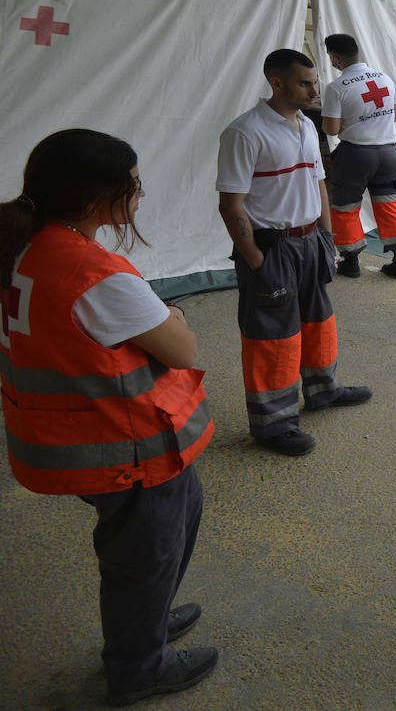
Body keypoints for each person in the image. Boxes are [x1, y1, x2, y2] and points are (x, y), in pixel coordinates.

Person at [1, 130, 218, 704]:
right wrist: (169, 314)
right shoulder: (95, 274)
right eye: (134, 184)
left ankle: (144, 624)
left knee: (169, 527)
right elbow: (184, 350)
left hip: (74, 436)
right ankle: (138, 666)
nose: (139, 195)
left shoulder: (25, 245)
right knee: (143, 557)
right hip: (126, 447)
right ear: (100, 197)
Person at [217, 49, 372, 456]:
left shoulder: (306, 125)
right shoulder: (245, 133)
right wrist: (254, 258)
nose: (314, 90)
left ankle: (324, 389)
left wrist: (327, 237)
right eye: (305, 83)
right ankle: (273, 425)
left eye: (315, 81)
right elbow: (231, 204)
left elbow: (319, 184)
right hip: (273, 248)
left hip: (310, 243)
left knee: (318, 320)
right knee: (273, 337)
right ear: (277, 83)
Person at [320, 33, 396, 279]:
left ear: (336, 57)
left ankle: (350, 263)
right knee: (389, 206)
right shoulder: (385, 79)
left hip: (355, 156)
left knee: (345, 209)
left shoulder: (336, 88)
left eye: (330, 57)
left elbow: (331, 129)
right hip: (389, 153)